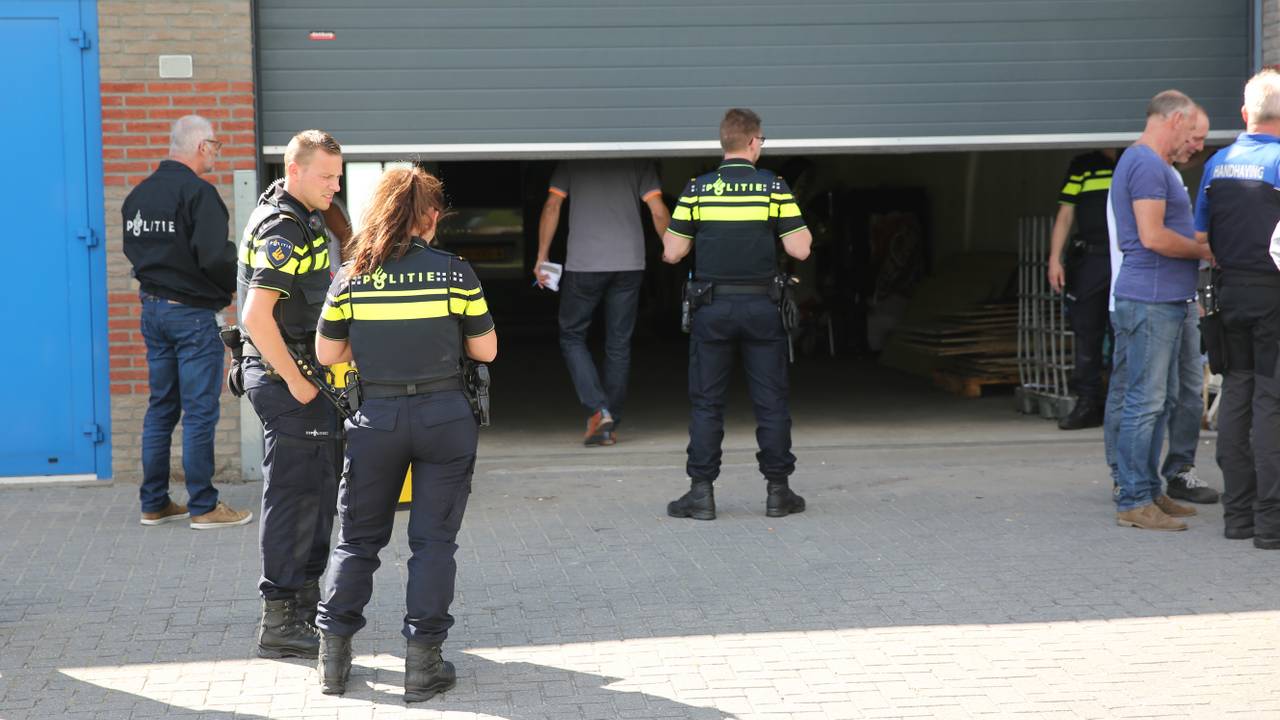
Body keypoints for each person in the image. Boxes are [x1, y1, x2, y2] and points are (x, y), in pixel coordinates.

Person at [313, 167, 497, 700]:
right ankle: (423, 665)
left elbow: (328, 354)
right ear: (431, 217)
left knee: (358, 540)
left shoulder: (352, 274)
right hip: (445, 418)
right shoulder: (456, 273)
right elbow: (485, 350)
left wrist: (372, 346)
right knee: (433, 542)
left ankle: (333, 660)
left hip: (377, 419)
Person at [661, 108, 813, 520]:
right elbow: (800, 249)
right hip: (763, 307)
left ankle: (701, 493)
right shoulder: (774, 188)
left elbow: (672, 252)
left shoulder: (697, 190)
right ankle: (778, 492)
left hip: (712, 308)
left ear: (724, 142)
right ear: (751, 141)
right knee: (771, 401)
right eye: (762, 140)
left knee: (707, 402)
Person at [238, 130, 344, 658]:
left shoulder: (299, 215)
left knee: (317, 497)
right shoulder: (284, 225)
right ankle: (280, 620)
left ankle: (303, 608)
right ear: (296, 171)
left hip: (303, 381)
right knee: (294, 500)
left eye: (339, 175)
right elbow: (255, 316)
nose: (336, 185)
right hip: (289, 384)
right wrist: (300, 384)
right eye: (326, 176)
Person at [122, 114, 253, 530]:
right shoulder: (199, 193)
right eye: (215, 146)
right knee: (199, 412)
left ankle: (154, 503)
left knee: (161, 407)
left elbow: (134, 250)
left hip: (153, 311)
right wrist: (228, 288)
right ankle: (203, 506)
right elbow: (215, 257)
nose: (216, 153)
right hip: (192, 315)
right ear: (201, 146)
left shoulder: (138, 196)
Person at [1106, 91, 1213, 532]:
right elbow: (1152, 237)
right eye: (1194, 133)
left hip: (1163, 299)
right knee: (1145, 402)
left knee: (1160, 399)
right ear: (1176, 119)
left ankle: (1150, 491)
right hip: (1150, 299)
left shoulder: (1150, 163)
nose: (1197, 144)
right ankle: (1134, 498)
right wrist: (1208, 251)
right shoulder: (1148, 164)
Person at [1194, 68, 1280, 549]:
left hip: (1228, 296)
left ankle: (1238, 517)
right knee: (1272, 402)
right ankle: (1271, 525)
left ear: (1246, 114)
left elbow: (1201, 238)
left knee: (1238, 395)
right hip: (1273, 297)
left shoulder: (1218, 163)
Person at [535, 160, 670, 445]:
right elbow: (657, 210)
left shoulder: (572, 161)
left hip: (585, 266)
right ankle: (609, 424)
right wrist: (671, 247)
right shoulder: (637, 163)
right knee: (618, 343)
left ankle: (598, 411)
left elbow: (552, 206)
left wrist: (542, 256)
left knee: (572, 336)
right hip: (629, 264)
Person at [1048, 148, 1117, 430]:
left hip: (1127, 259)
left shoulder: (1138, 156)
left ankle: (1118, 406)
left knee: (1123, 332)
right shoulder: (1085, 165)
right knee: (1087, 333)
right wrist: (1054, 258)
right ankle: (1087, 402)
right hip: (1091, 259)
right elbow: (1066, 214)